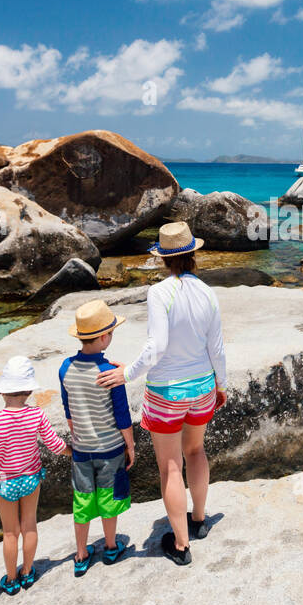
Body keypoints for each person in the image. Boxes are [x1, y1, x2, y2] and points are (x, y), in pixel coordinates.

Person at [97, 221, 226, 566]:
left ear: (163, 259)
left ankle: (181, 545)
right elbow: (217, 348)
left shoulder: (159, 292)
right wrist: (221, 384)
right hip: (202, 387)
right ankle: (199, 519)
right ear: (193, 254)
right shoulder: (208, 292)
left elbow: (157, 347)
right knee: (196, 451)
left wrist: (127, 373)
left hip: (167, 392)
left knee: (170, 466)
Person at [0, 356, 68, 596]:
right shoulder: (37, 415)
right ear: (29, 391)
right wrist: (72, 451)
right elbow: (54, 445)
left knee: (10, 532)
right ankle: (28, 572)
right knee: (29, 525)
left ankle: (11, 579)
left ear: (3, 393)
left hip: (5, 483)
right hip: (31, 478)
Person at [59, 299, 136, 577]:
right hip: (110, 449)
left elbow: (68, 411)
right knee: (108, 498)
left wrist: (77, 435)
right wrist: (131, 445)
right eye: (111, 333)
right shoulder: (109, 373)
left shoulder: (65, 368)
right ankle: (111, 546)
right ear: (104, 337)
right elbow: (122, 416)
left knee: (82, 501)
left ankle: (81, 554)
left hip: (81, 450)